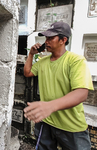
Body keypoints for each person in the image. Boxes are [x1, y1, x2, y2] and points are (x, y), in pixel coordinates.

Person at [23, 21, 94, 150]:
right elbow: (27, 72)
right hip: (47, 123)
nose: (46, 41)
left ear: (63, 40)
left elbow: (81, 93)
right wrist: (31, 54)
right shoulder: (43, 61)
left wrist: (49, 106)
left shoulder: (76, 61)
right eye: (46, 38)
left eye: (50, 38)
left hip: (71, 126)